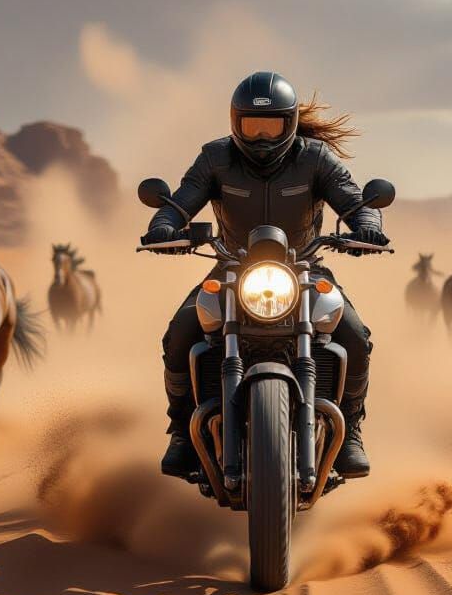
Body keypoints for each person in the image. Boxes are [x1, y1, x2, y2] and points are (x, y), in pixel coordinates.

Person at [141, 71, 390, 479]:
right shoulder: (215, 158)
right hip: (231, 269)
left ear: (289, 123)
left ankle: (351, 432)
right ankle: (182, 433)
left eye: (270, 126)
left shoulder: (315, 158)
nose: (260, 138)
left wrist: (367, 223)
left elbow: (354, 197)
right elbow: (182, 200)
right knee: (181, 332)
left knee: (355, 336)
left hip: (305, 269)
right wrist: (165, 224)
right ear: (234, 122)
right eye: (250, 127)